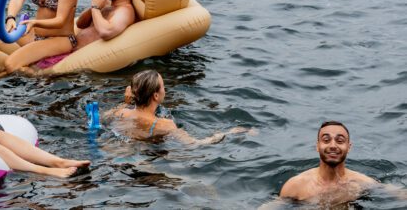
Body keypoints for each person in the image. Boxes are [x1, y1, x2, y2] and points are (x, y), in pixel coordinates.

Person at [106, 70, 252, 144]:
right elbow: (195, 144)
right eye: (163, 87)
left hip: (112, 151)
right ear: (156, 96)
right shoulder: (164, 124)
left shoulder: (121, 112)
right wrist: (230, 132)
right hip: (137, 160)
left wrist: (125, 102)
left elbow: (103, 118)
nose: (165, 90)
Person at [278, 121, 407, 204]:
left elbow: (395, 193)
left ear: (349, 147)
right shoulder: (295, 186)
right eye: (326, 140)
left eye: (340, 141)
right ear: (317, 146)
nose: (333, 145)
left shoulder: (361, 182)